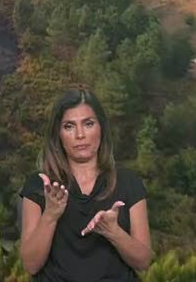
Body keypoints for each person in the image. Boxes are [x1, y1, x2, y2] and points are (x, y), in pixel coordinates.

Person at [19, 89, 152, 280]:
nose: (80, 135)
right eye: (69, 126)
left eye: (88, 124)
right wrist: (50, 215)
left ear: (101, 128)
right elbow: (31, 266)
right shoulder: (39, 185)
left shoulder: (129, 182)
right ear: (58, 134)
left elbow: (143, 262)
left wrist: (113, 232)